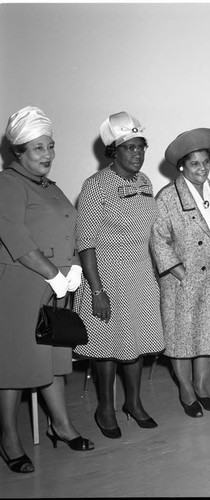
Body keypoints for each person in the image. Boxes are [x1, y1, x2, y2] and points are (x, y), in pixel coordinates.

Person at [0, 106, 94, 474]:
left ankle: (62, 425)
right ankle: (9, 439)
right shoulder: (8, 183)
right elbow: (15, 236)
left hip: (54, 285)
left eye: (50, 146)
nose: (48, 155)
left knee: (55, 362)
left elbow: (68, 230)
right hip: (20, 286)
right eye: (38, 148)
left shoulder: (49, 188)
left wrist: (72, 270)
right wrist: (53, 273)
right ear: (18, 152)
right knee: (15, 368)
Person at [73, 112, 165, 438]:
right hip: (107, 277)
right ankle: (106, 408)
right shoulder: (95, 186)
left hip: (140, 275)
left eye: (141, 147)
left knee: (137, 344)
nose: (137, 154)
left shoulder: (145, 182)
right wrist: (97, 291)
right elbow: (85, 243)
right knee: (109, 347)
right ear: (114, 150)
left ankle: (134, 403)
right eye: (129, 148)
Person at [151, 128, 210, 418]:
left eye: (206, 162)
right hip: (182, 281)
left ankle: (202, 387)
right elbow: (157, 238)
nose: (202, 169)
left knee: (208, 334)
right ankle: (186, 390)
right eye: (194, 164)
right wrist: (178, 273)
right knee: (182, 338)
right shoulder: (167, 197)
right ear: (181, 166)